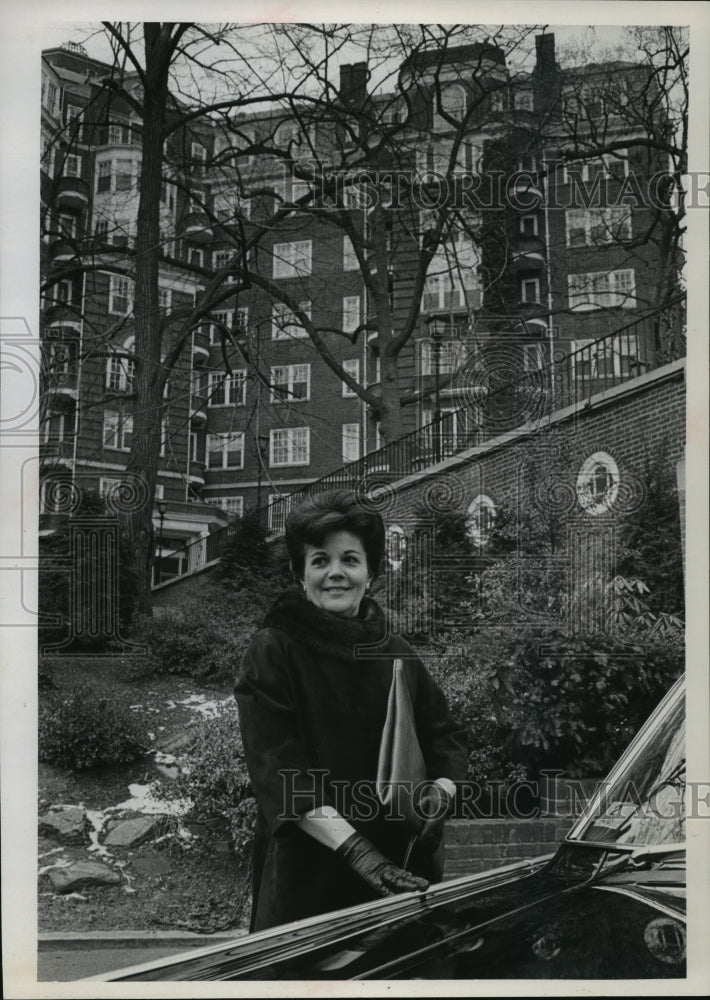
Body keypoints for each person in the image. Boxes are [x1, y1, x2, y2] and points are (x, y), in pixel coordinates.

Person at [234, 490, 467, 932]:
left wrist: (443, 789)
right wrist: (360, 853)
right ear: (299, 573)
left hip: (401, 878)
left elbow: (446, 735)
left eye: (350, 560)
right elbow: (279, 771)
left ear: (370, 572)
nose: (335, 573)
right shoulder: (274, 650)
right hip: (310, 885)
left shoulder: (395, 653)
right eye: (320, 560)